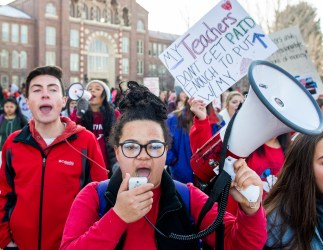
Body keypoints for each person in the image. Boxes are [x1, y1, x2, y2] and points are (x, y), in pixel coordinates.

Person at [60, 81, 267, 249]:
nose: (143, 156)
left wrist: (251, 210)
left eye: (154, 146)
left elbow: (239, 244)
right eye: (131, 147)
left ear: (166, 151)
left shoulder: (188, 197)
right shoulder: (93, 197)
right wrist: (117, 217)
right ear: (117, 152)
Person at [0, 66, 108, 250]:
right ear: (27, 101)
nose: (45, 94)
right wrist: (5, 241)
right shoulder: (13, 143)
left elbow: (101, 197)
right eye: (37, 90)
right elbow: (4, 194)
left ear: (63, 100)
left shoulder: (85, 140)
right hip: (20, 245)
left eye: (52, 89)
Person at [73, 80, 120, 177]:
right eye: (90, 89)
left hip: (109, 164)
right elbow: (70, 130)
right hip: (86, 163)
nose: (92, 91)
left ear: (104, 95)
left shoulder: (114, 114)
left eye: (97, 89)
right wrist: (79, 114)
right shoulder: (79, 113)